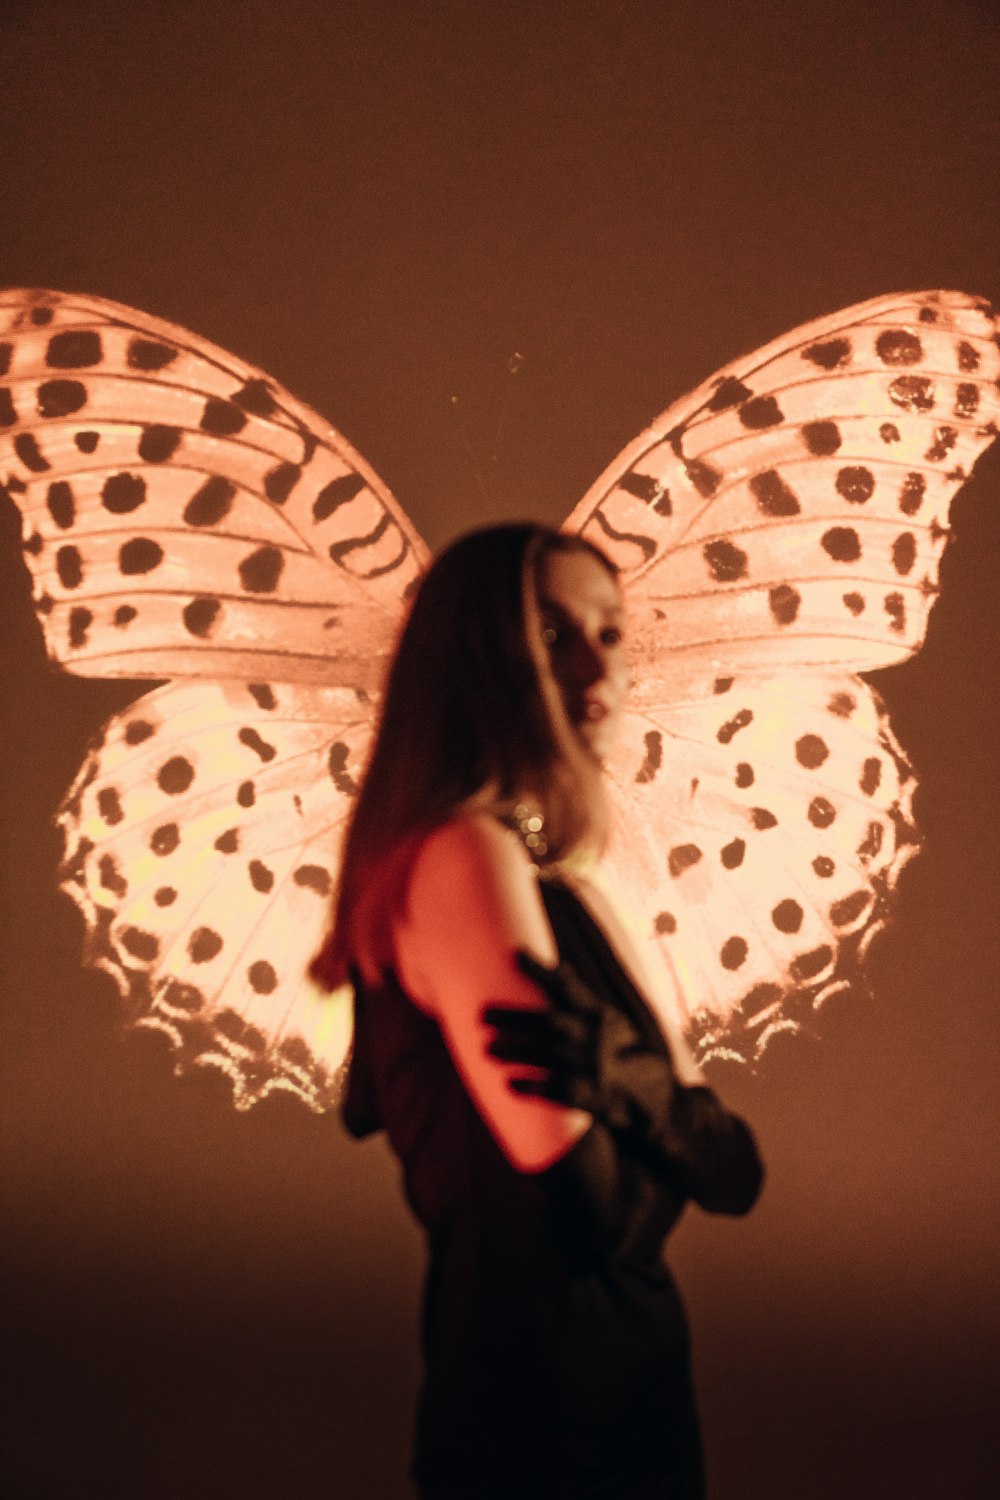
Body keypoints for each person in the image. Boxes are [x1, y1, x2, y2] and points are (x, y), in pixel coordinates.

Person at [311, 523, 764, 1500]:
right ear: (478, 658)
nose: (600, 666)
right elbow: (595, 1211)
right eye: (554, 634)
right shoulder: (463, 858)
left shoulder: (560, 885)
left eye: (612, 631)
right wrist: (663, 1112)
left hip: (621, 1391)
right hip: (546, 1418)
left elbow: (734, 1172)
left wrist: (629, 1084)